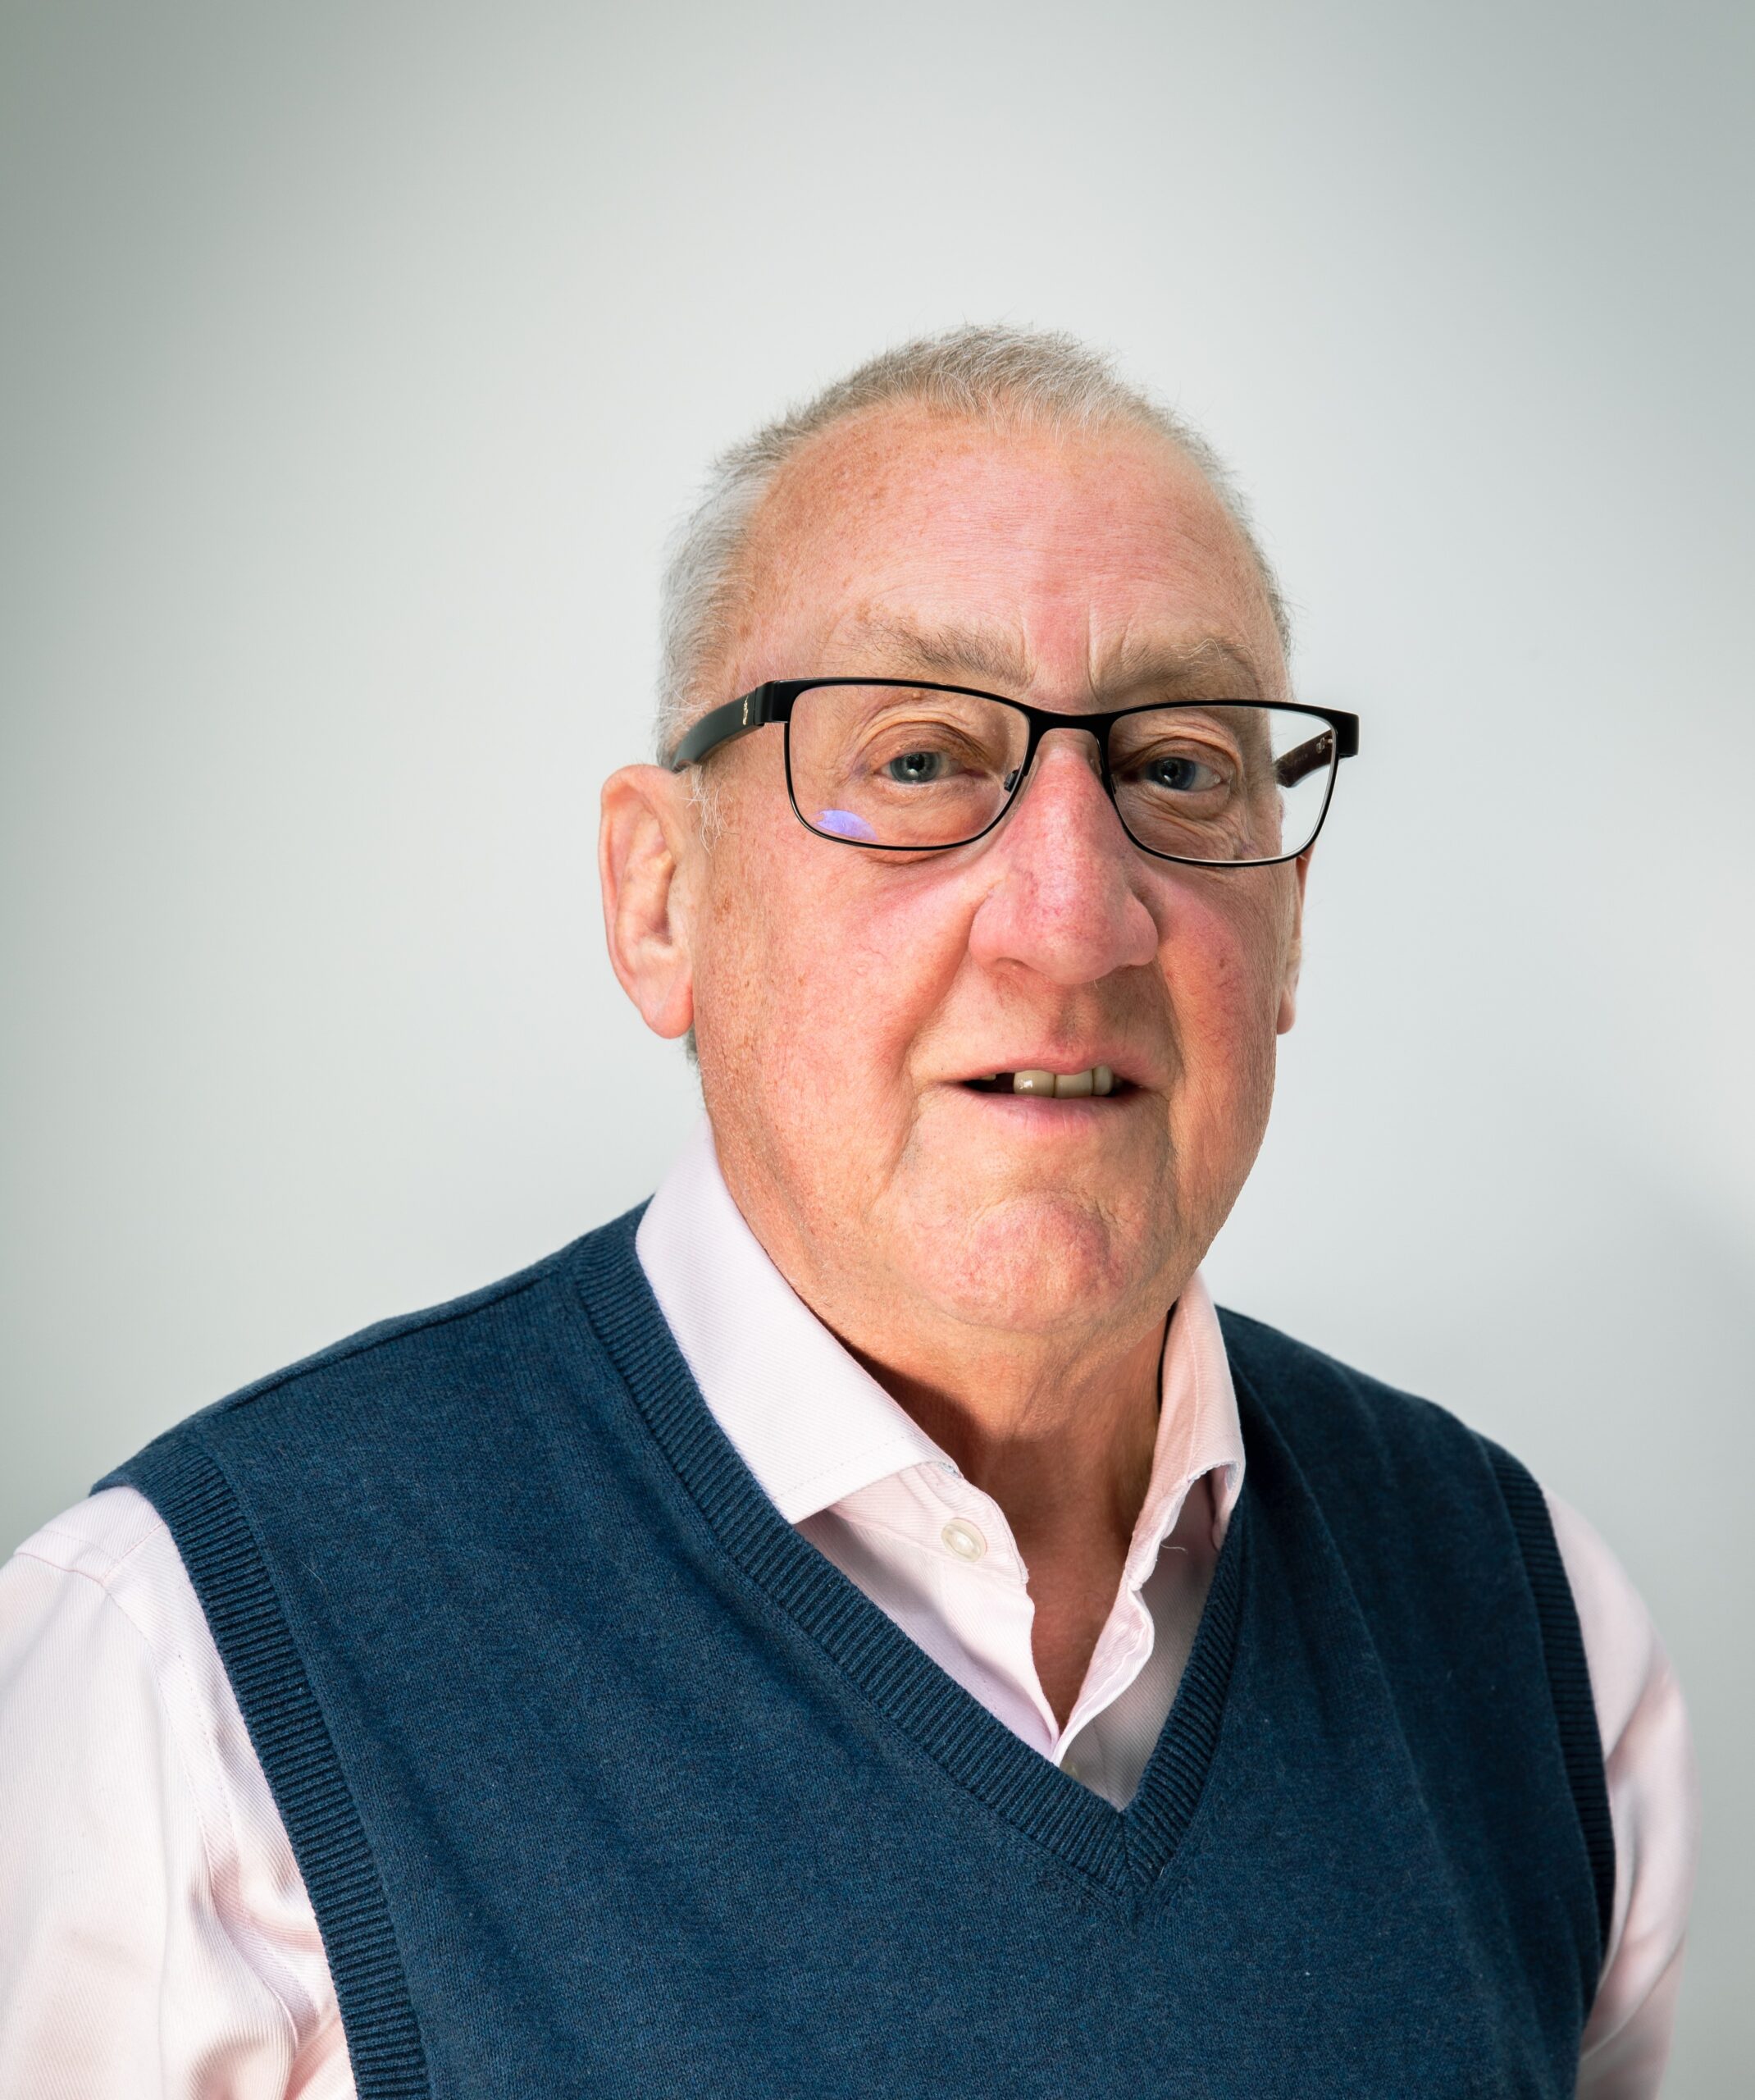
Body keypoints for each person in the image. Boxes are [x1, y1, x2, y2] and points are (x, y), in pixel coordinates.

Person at [0, 328, 1694, 2098]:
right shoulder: (185, 1678)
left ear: (1287, 929)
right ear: (661, 899)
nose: (1074, 918)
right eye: (919, 760)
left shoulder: (1540, 1640)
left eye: (1180, 767)